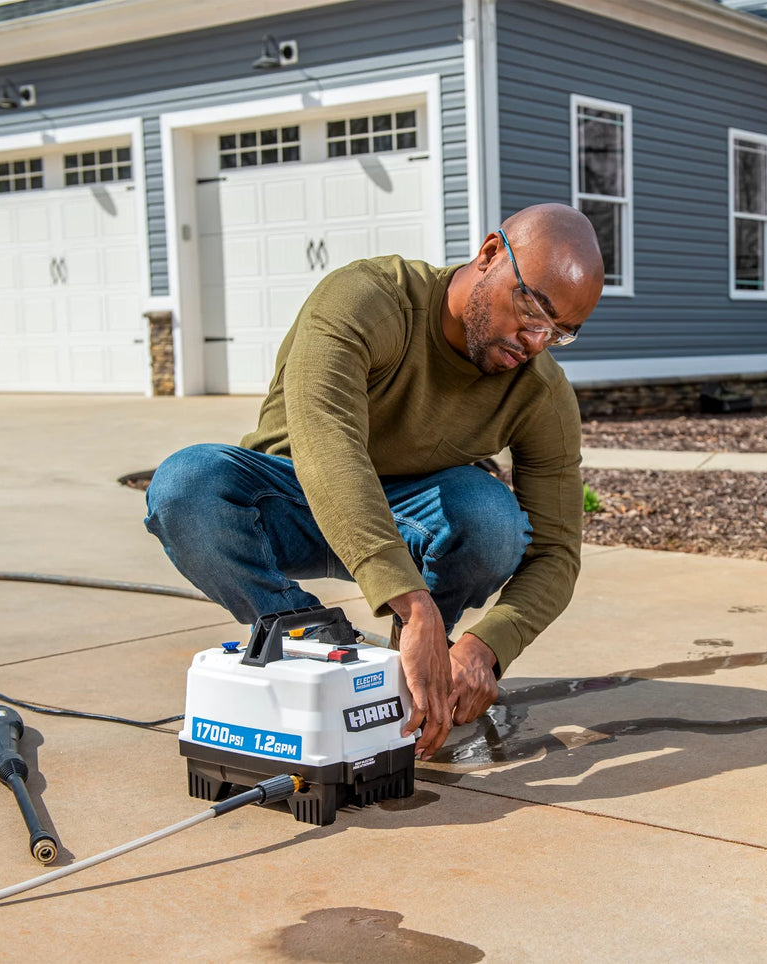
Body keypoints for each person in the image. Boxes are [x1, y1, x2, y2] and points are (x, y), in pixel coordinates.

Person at [145, 203, 605, 761]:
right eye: (532, 308)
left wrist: (488, 647)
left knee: (489, 518)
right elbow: (328, 446)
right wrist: (414, 606)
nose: (535, 339)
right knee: (185, 486)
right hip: (292, 497)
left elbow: (557, 552)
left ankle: (403, 680)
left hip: (412, 519)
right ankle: (307, 633)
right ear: (489, 256)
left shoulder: (540, 393)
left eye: (560, 333)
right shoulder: (367, 300)